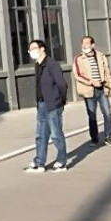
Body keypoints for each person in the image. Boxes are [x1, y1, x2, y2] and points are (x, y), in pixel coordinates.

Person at [25, 40, 69, 173]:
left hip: (53, 104)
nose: (31, 51)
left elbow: (62, 84)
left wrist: (60, 100)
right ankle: (39, 162)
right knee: (41, 135)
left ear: (42, 49)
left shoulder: (51, 64)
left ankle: (61, 162)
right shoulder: (38, 65)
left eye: (33, 48)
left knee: (56, 134)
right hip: (41, 104)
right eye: (30, 49)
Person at [73, 36, 111, 148]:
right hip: (89, 90)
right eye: (83, 43)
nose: (84, 45)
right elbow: (77, 75)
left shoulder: (100, 56)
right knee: (92, 115)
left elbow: (107, 72)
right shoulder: (79, 58)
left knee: (107, 113)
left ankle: (109, 137)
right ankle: (94, 138)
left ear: (93, 45)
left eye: (87, 43)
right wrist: (92, 82)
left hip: (102, 89)